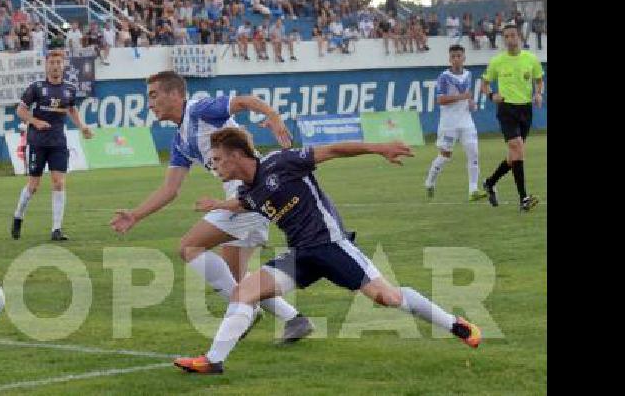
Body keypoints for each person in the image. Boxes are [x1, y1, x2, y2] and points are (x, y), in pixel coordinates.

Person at [173, 129, 482, 373]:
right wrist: (218, 205)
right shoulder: (249, 192)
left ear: (237, 155)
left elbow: (333, 150)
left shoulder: (281, 163)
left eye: (218, 160)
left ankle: (457, 325)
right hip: (301, 255)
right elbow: (242, 203)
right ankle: (213, 361)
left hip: (331, 245)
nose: (214, 167)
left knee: (387, 298)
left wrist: (380, 148)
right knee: (244, 292)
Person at [111, 71, 314, 344]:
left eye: (154, 95)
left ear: (175, 94)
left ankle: (244, 309)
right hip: (249, 199)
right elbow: (170, 189)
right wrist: (135, 215)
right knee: (237, 278)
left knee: (189, 247)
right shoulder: (180, 140)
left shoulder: (200, 110)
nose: (150, 103)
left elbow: (243, 102)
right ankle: (294, 319)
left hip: (249, 196)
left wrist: (274, 117)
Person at [11, 49, 94, 241]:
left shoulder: (70, 89)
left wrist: (82, 126)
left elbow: (71, 109)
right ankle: (18, 216)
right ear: (46, 65)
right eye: (52, 63)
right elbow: (20, 111)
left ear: (63, 65)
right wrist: (35, 121)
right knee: (33, 186)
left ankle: (56, 229)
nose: (56, 66)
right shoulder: (36, 87)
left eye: (59, 62)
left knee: (59, 182)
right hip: (37, 142)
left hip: (58, 142)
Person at [480, 23, 544, 211]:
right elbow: (484, 84)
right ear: (503, 39)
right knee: (517, 148)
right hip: (506, 109)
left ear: (519, 37)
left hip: (525, 110)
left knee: (513, 156)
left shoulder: (531, 59)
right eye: (506, 36)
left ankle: (490, 182)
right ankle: (524, 198)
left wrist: (539, 93)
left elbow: (539, 80)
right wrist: (492, 95)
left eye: (513, 35)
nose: (510, 39)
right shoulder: (497, 62)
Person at [424, 45, 488, 201]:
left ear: (464, 58)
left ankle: (473, 190)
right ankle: (430, 182)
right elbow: (440, 100)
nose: (456, 59)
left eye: (459, 56)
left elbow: (468, 96)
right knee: (445, 156)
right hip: (449, 123)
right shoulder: (444, 77)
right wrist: (462, 97)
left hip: (466, 121)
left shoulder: (468, 74)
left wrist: (471, 102)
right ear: (449, 59)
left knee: (474, 154)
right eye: (453, 56)